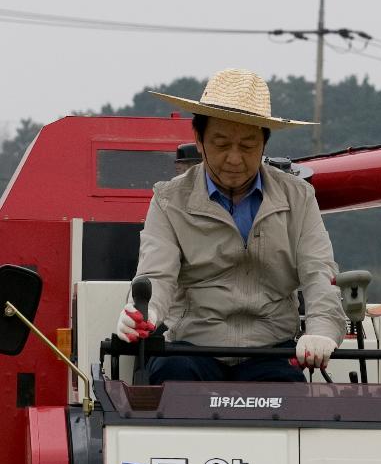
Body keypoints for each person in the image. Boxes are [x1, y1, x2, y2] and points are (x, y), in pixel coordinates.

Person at [116, 69, 345, 383]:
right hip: (191, 349)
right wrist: (146, 314)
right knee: (171, 384)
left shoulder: (299, 197)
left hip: (272, 349)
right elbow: (156, 274)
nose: (234, 159)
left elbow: (319, 272)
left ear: (264, 142)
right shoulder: (169, 200)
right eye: (221, 144)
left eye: (248, 146)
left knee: (291, 400)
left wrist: (321, 331)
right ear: (199, 140)